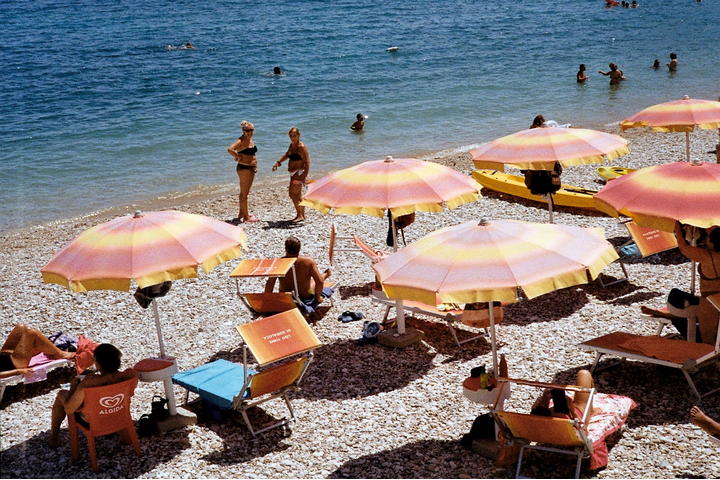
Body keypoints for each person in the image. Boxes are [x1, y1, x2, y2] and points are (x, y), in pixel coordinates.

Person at [48, 344, 136, 447]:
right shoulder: (130, 375)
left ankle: (54, 438)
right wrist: (106, 378)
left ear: (98, 364)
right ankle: (124, 435)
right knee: (110, 399)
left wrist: (75, 384)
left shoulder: (88, 382)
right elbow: (117, 377)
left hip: (94, 420)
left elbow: (69, 409)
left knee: (61, 394)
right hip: (119, 413)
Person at [674, 223, 720, 345]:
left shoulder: (706, 256)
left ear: (711, 242)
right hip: (717, 297)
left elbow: (683, 247)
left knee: (708, 340)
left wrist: (677, 229)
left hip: (709, 300)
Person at [264, 236, 331, 314]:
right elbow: (319, 282)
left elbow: (270, 283)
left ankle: (325, 274)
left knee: (312, 281)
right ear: (299, 248)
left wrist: (267, 302)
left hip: (286, 297)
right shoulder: (308, 262)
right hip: (304, 296)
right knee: (313, 282)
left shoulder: (278, 263)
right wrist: (317, 298)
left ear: (285, 248)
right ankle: (326, 274)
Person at [0, 324, 75, 379]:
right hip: (13, 364)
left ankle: (49, 347)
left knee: (21, 327)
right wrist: (19, 371)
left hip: (5, 355)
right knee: (32, 333)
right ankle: (60, 354)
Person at [272, 127, 310, 222]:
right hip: (293, 173)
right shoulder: (292, 145)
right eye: (291, 136)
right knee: (297, 195)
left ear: (299, 135)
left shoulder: (301, 147)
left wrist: (304, 175)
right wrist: (278, 162)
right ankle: (301, 215)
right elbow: (287, 154)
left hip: (299, 172)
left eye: (294, 136)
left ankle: (300, 215)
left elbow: (307, 161)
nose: (292, 138)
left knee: (292, 194)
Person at [530, 369, 596, 422]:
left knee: (555, 396)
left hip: (557, 414)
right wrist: (571, 408)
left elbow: (540, 412)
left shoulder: (537, 423)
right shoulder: (564, 420)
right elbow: (581, 427)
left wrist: (544, 399)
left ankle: (546, 402)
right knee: (584, 373)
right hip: (578, 411)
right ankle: (591, 410)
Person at [227, 121, 258, 224]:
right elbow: (230, 149)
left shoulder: (250, 139)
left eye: (251, 130)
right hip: (244, 168)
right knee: (244, 194)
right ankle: (246, 217)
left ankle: (241, 213)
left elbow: (252, 154)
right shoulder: (241, 140)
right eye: (247, 130)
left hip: (250, 168)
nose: (250, 132)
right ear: (243, 131)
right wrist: (237, 156)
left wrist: (255, 166)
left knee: (245, 193)